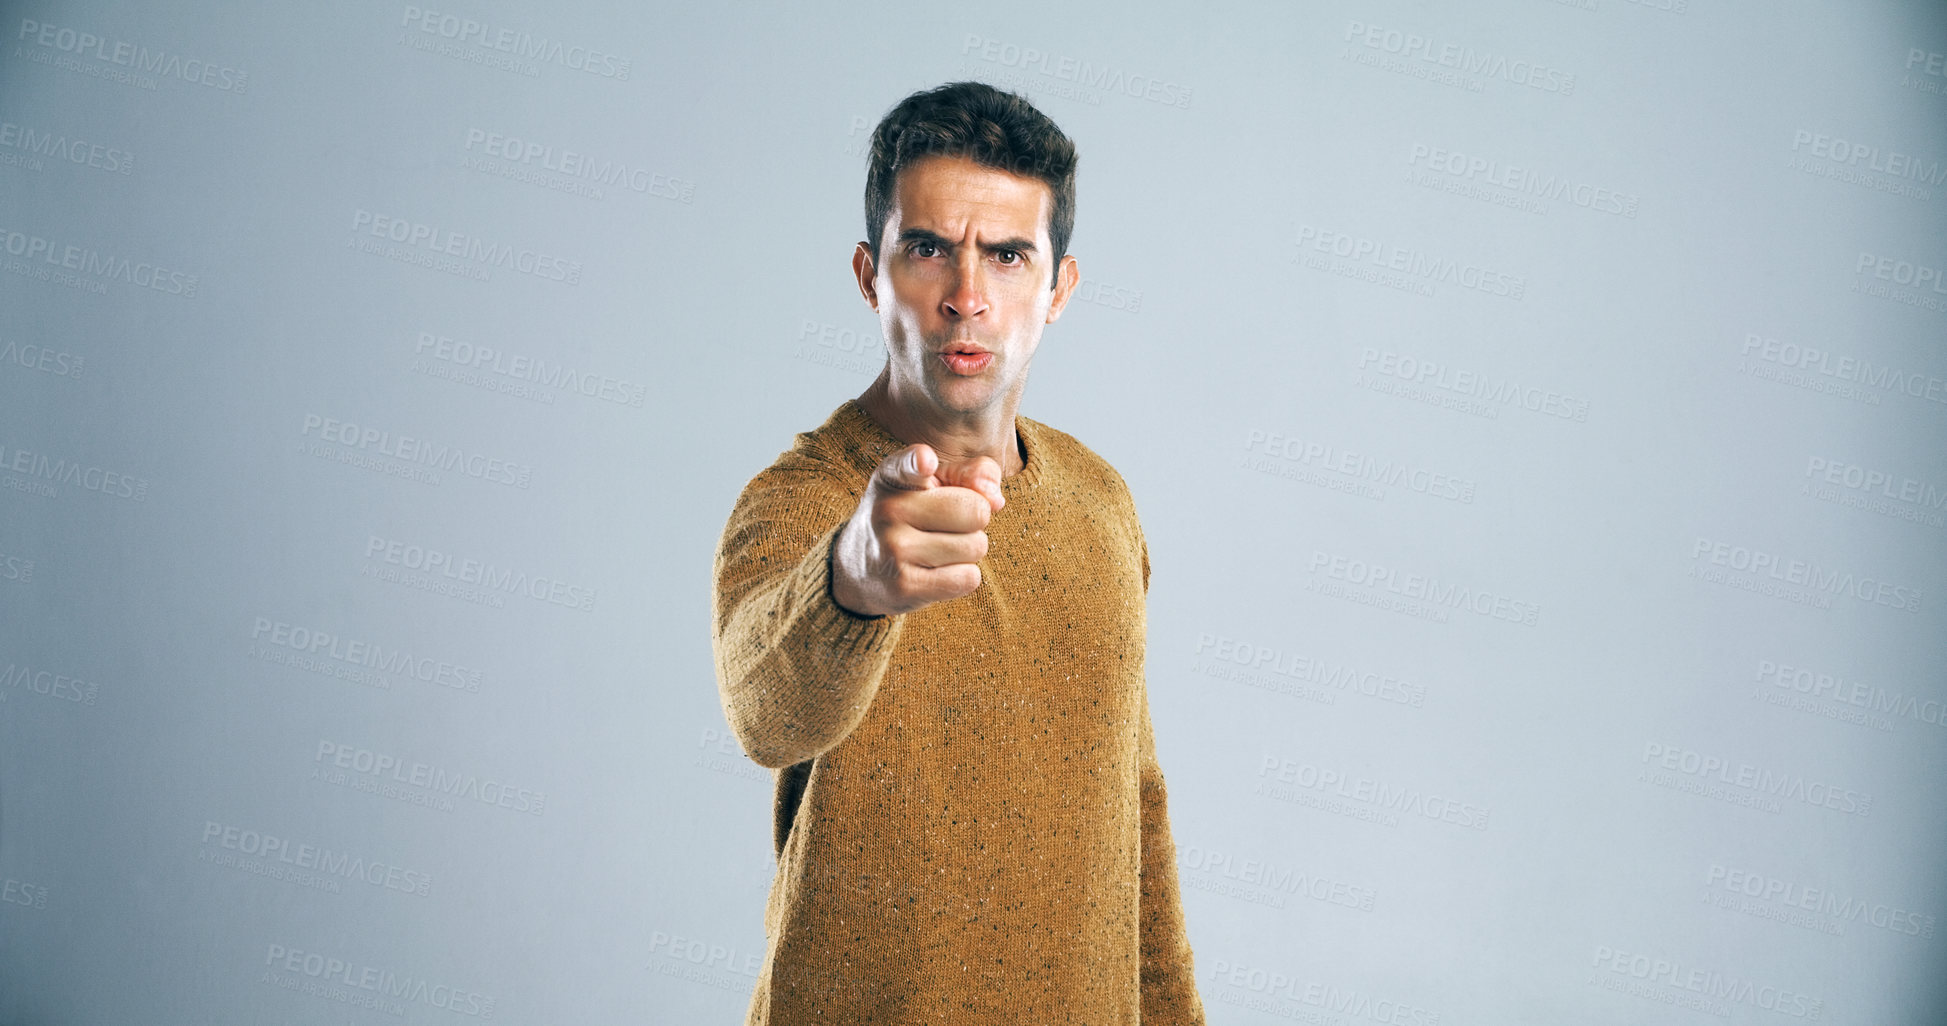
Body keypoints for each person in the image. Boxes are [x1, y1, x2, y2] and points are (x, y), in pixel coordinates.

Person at [711, 80, 1205, 1025]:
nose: (967, 297)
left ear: (1057, 289)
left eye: (1008, 255)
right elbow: (763, 713)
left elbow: (1135, 813)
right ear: (870, 274)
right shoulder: (801, 499)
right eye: (928, 249)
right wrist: (850, 583)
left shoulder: (1101, 501)